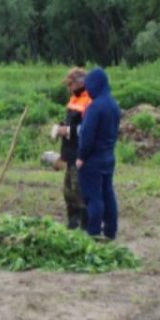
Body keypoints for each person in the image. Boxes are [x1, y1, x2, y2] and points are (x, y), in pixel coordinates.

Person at [76, 67, 122, 240]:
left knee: (93, 196)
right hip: (108, 156)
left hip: (93, 159)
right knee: (108, 193)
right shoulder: (113, 105)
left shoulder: (95, 108)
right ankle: (111, 231)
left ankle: (94, 232)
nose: (88, 90)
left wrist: (81, 157)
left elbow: (87, 135)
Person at [52, 67, 91, 230]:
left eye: (70, 84)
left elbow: (87, 129)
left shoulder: (89, 100)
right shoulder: (74, 99)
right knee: (68, 191)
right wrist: (60, 128)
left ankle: (86, 225)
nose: (68, 88)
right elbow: (71, 122)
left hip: (80, 152)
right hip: (69, 152)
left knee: (79, 190)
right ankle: (72, 222)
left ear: (80, 83)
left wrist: (66, 131)